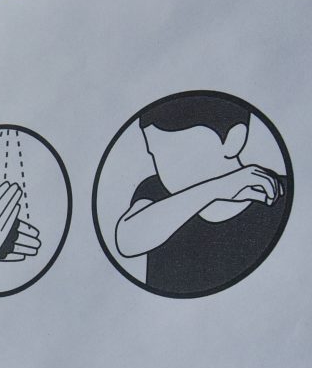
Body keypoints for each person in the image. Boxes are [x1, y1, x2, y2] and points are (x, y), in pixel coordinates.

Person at [114, 91, 289, 296]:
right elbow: (127, 241)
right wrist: (217, 189)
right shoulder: (155, 192)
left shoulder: (277, 191)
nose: (166, 169)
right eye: (155, 154)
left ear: (234, 140)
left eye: (181, 154)